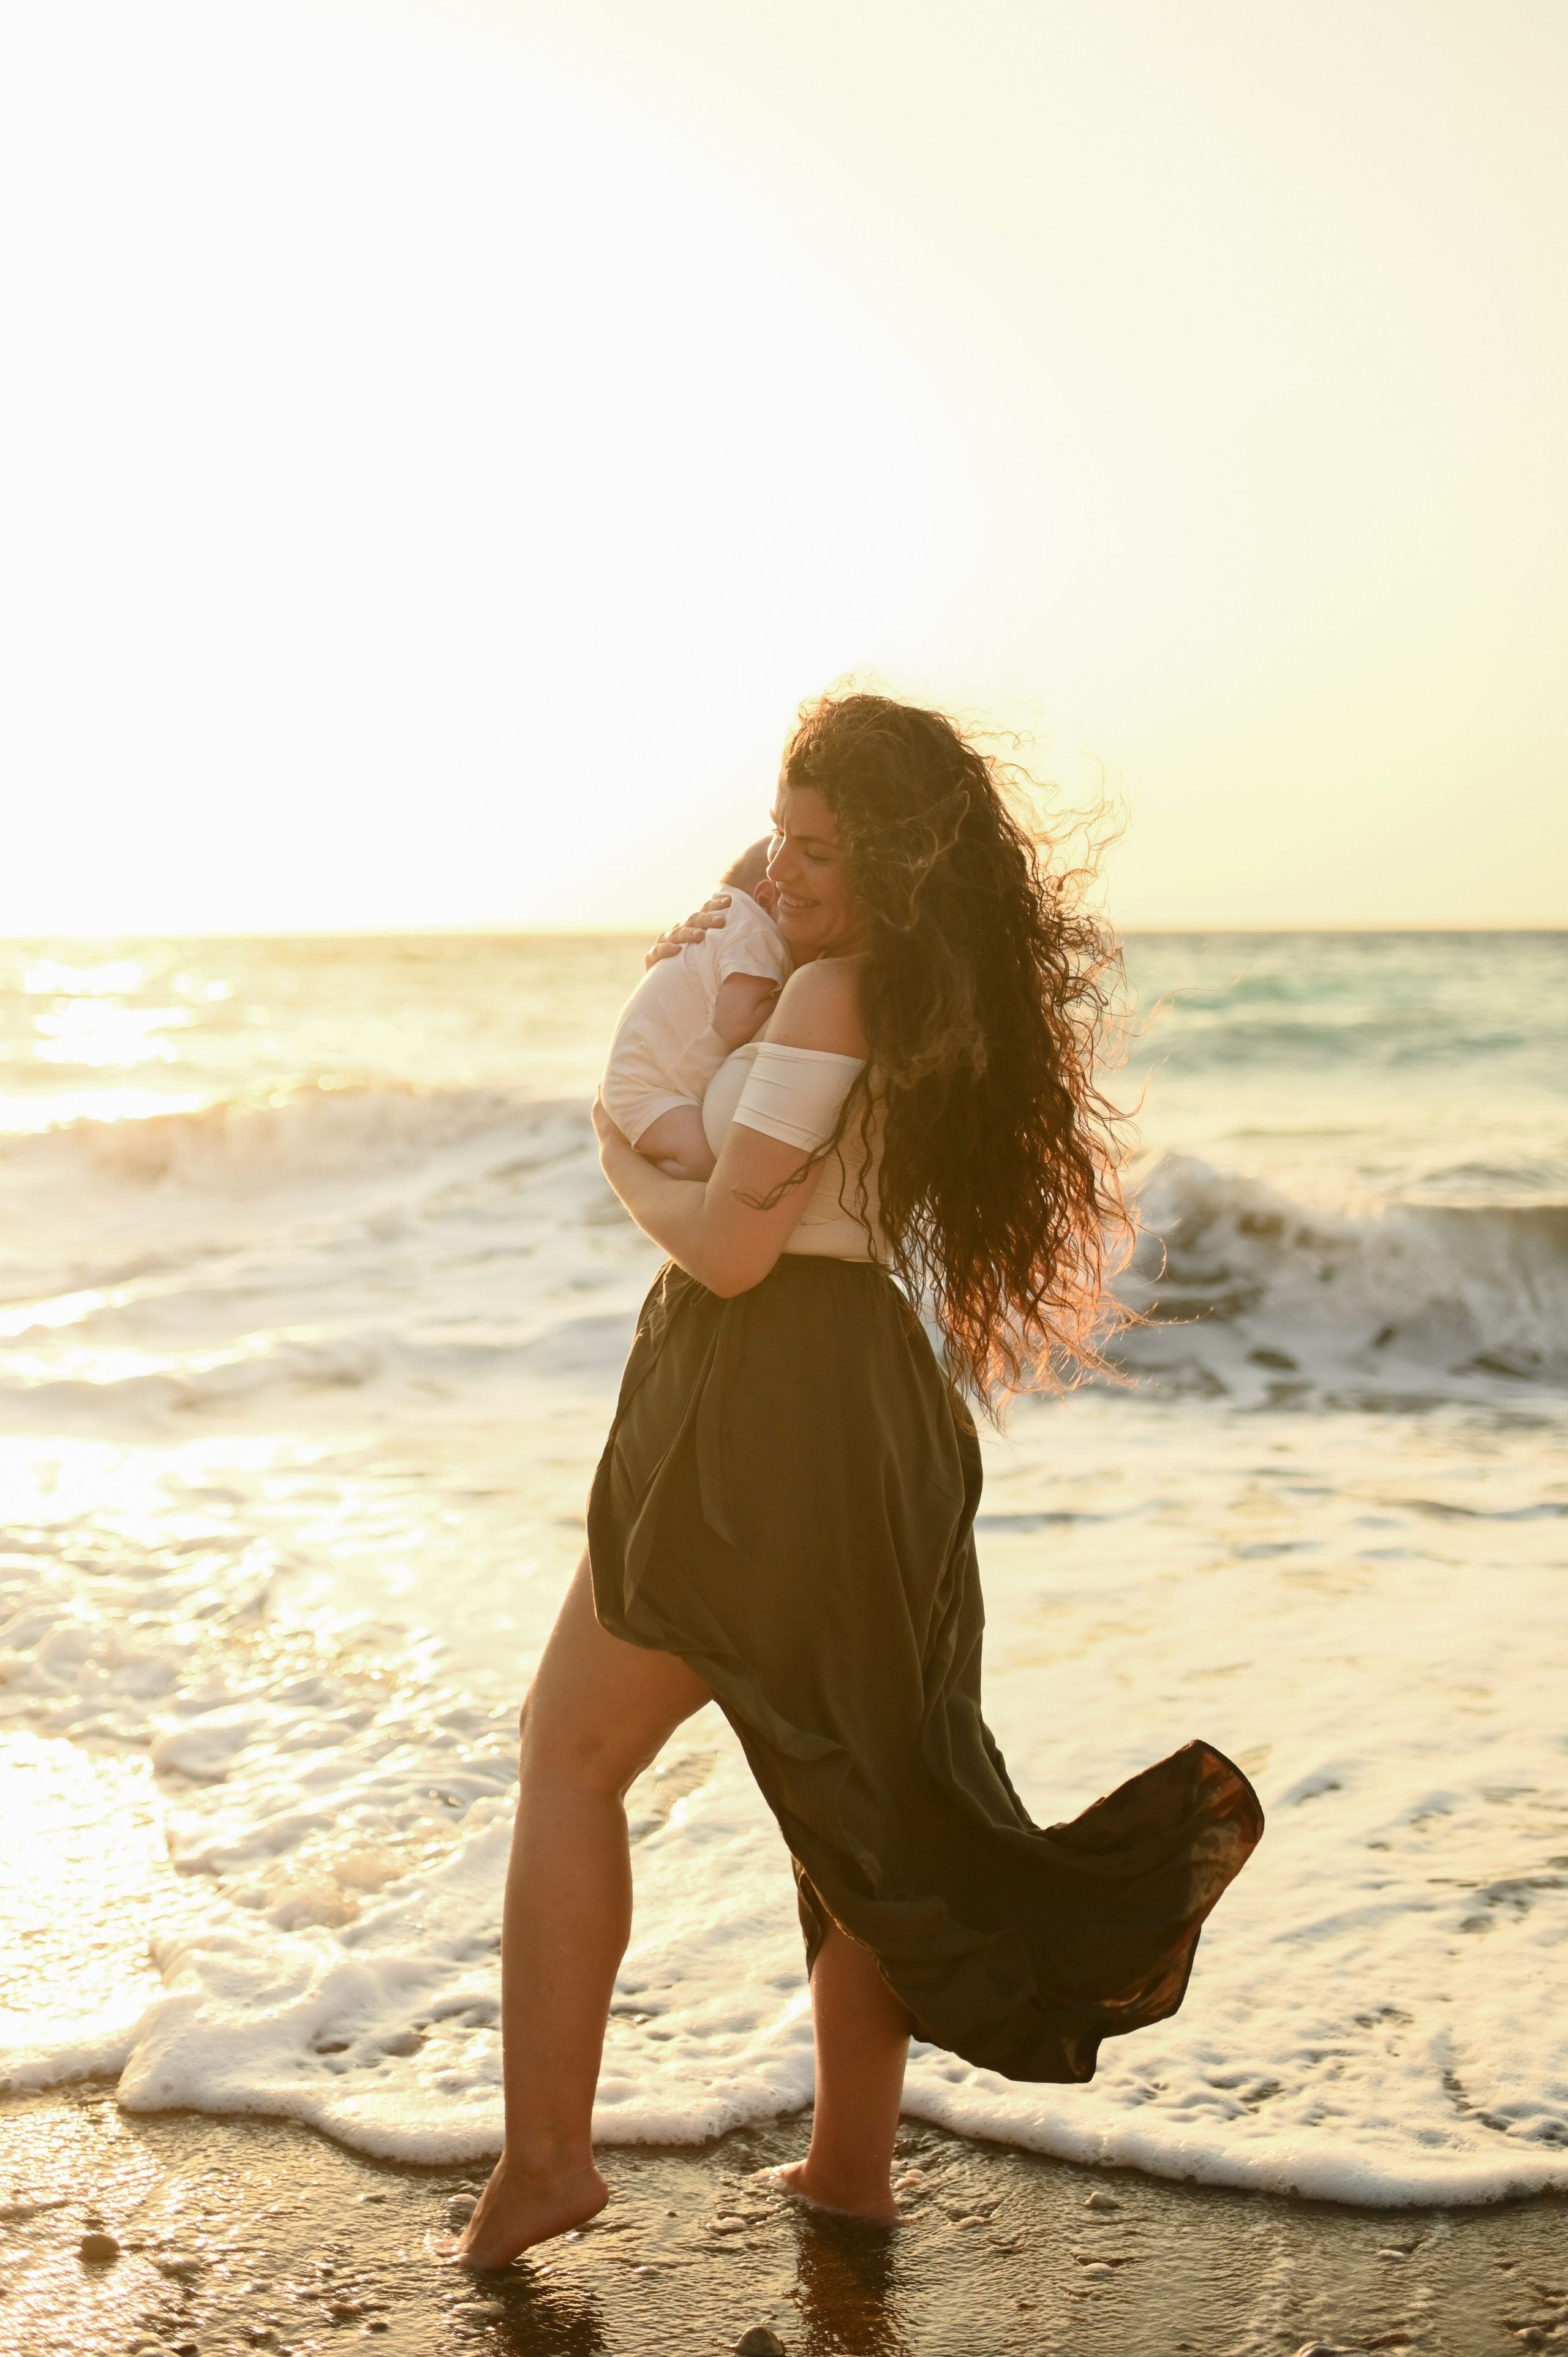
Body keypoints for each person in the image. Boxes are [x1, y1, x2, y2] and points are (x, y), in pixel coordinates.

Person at [458, 692, 1263, 2268]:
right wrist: (754, 900)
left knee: (568, 1758)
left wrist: (621, 1151)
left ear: (890, 863)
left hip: (761, 1401)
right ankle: (847, 2171)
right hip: (867, 1409)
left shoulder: (832, 994)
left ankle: (548, 2156)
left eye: (821, 849)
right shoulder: (903, 989)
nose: (787, 867)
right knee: (866, 1790)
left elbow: (735, 1246)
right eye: (783, 835)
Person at [599, 838, 788, 1180]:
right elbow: (733, 1023)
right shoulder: (756, 934)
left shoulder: (726, 924)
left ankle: (649, 1158)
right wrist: (788, 996)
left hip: (641, 1081)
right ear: (765, 898)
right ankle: (651, 1169)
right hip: (654, 1092)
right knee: (705, 1165)